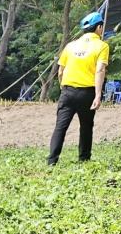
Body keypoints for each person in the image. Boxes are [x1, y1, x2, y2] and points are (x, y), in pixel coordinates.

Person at [47, 12, 109, 166]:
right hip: (87, 93)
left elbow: (60, 71)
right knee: (86, 126)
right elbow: (100, 70)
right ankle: (84, 159)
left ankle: (52, 161)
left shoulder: (70, 45)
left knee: (60, 127)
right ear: (99, 27)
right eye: (101, 26)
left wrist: (63, 87)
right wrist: (98, 95)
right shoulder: (102, 46)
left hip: (67, 92)